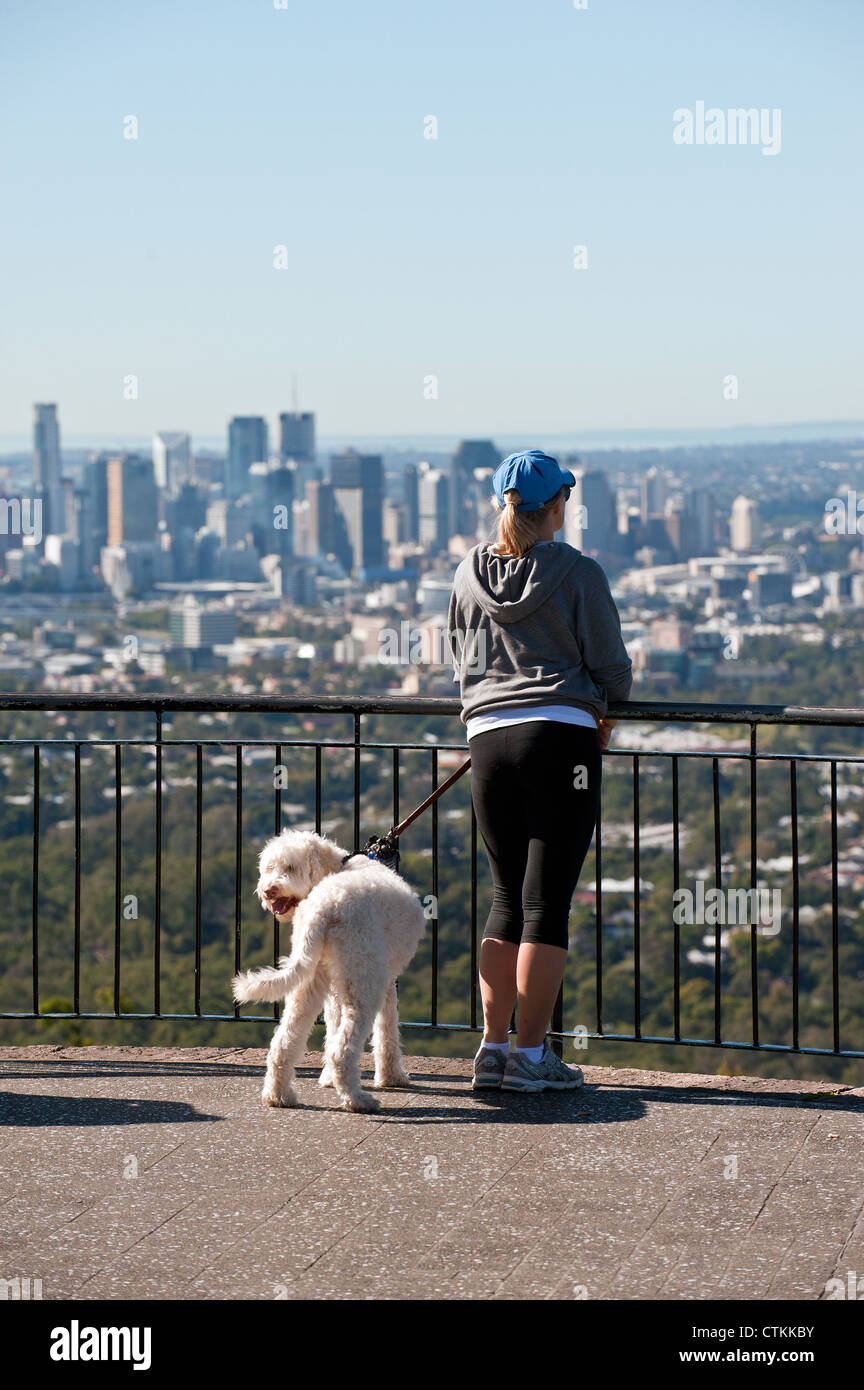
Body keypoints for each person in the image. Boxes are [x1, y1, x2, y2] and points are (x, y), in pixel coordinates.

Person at [447, 449, 632, 1092]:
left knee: (504, 899)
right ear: (558, 506)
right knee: (546, 903)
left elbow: (463, 668)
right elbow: (612, 670)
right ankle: (532, 1057)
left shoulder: (467, 575)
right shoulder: (578, 573)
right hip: (560, 742)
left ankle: (493, 1050)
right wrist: (603, 712)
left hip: (489, 742)